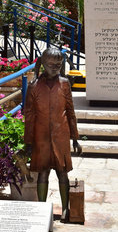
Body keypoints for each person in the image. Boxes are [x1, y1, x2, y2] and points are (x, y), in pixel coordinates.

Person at [24, 47, 82, 222]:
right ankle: (42, 208)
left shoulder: (65, 84)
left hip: (61, 135)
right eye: (51, 64)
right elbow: (29, 116)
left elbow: (70, 112)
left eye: (58, 64)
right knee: (43, 172)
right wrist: (28, 142)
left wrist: (75, 138)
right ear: (42, 64)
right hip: (41, 137)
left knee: (62, 172)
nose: (55, 67)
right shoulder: (34, 87)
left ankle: (65, 208)